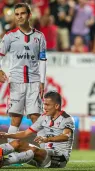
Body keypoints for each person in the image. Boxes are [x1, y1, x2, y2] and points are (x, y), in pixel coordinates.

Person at [0, 3, 47, 145]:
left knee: (36, 118)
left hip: (34, 82)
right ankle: (10, 151)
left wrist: (42, 81)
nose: (19, 16)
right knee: (16, 119)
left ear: (29, 15)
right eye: (17, 14)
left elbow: (43, 60)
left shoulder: (39, 36)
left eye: (22, 13)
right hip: (16, 82)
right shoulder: (9, 36)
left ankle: (46, 152)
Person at [0, 91, 75, 168]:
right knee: (17, 143)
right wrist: (7, 135)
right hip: (42, 155)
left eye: (47, 105)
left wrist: (47, 139)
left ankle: (3, 163)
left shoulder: (67, 119)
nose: (44, 107)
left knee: (33, 150)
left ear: (56, 106)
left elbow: (65, 136)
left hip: (59, 158)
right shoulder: (44, 117)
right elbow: (26, 133)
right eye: (44, 104)